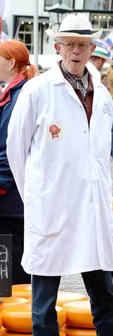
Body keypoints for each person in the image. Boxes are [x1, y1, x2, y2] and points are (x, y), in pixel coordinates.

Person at [7, 13, 113, 336]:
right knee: (44, 292)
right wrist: (35, 197)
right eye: (70, 44)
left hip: (91, 205)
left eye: (83, 45)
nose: (76, 51)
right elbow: (16, 148)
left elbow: (100, 151)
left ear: (92, 49)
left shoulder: (102, 93)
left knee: (103, 290)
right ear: (57, 47)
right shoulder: (38, 90)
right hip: (52, 204)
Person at [0, 40, 37, 285]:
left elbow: (10, 150)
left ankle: (19, 321)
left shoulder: (20, 97)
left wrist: (0, 184)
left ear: (11, 63)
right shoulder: (13, 93)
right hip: (11, 197)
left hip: (11, 199)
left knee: (10, 267)